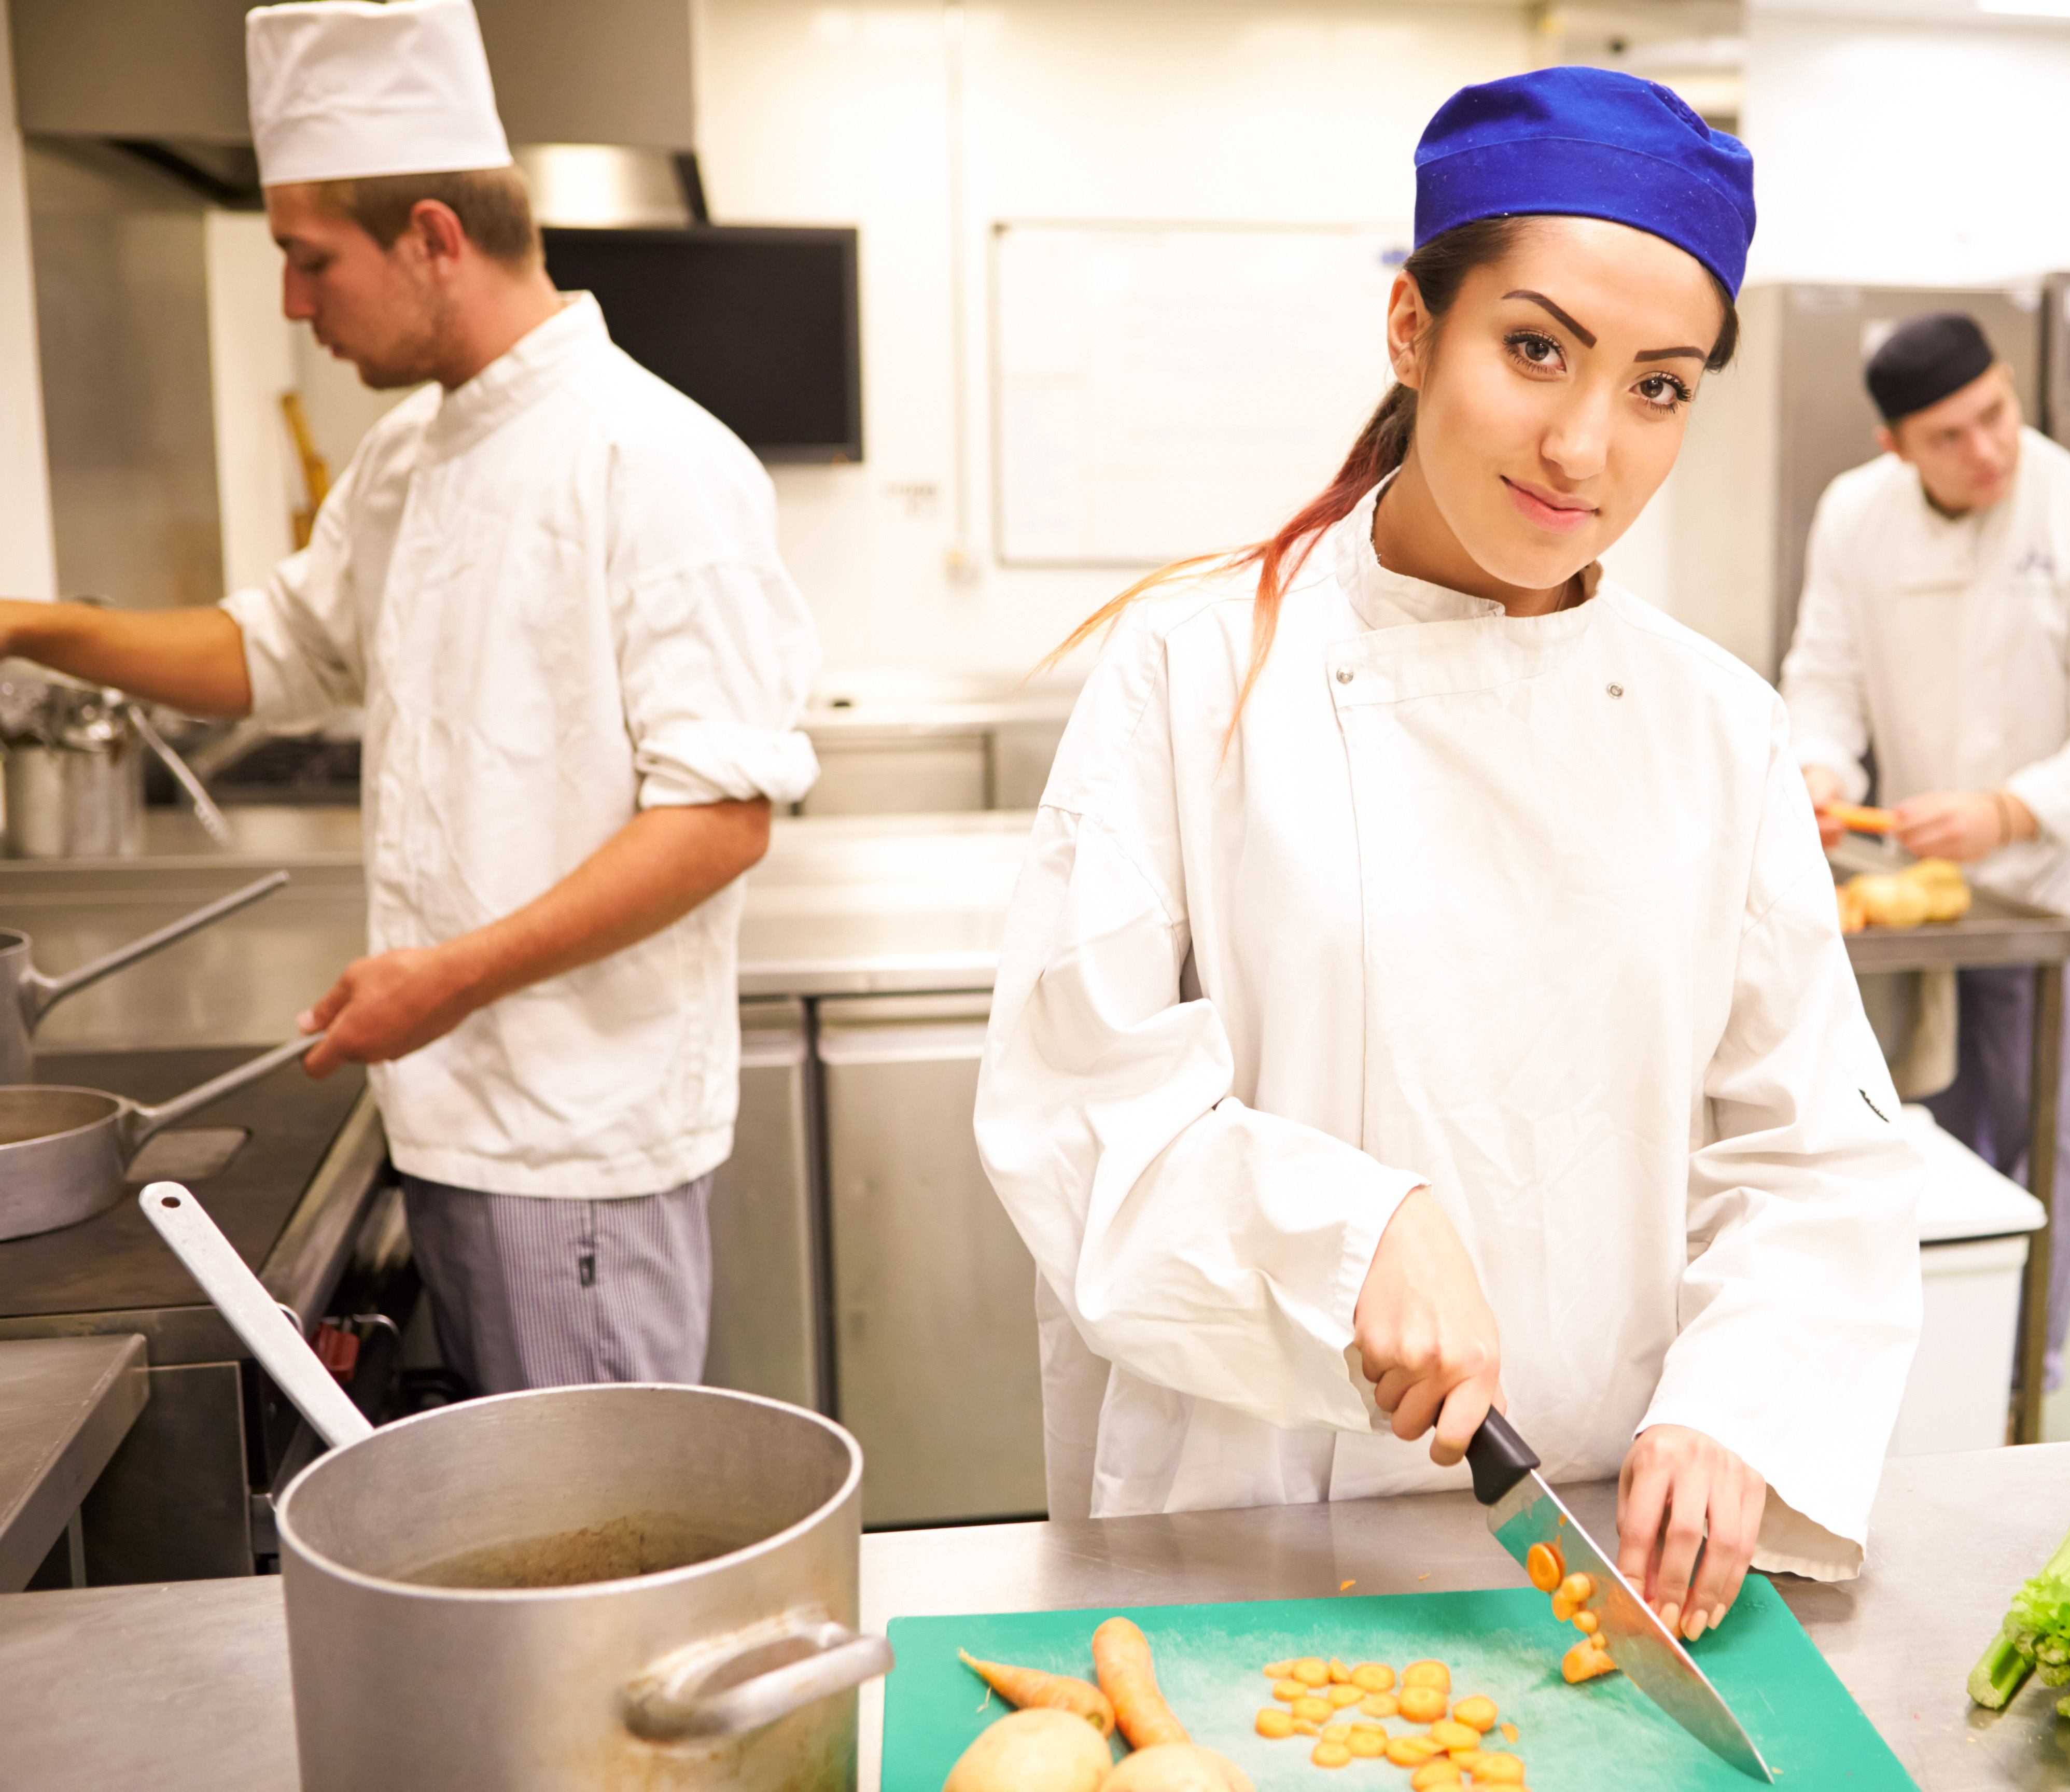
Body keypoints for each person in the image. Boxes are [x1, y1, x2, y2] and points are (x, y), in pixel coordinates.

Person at [975, 67, 1922, 1637]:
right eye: (1534, 348)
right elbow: (1077, 1107)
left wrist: (1741, 1401)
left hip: (1595, 1553)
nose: (1583, 446)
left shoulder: (1718, 732)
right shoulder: (1196, 672)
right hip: (1248, 1526)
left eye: (1658, 385)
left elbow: (1812, 1150)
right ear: (1415, 331)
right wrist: (1349, 1237)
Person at [0, 0, 819, 1394]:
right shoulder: (406, 456)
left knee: (598, 1565)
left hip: (574, 1154)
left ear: (435, 237)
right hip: (445, 1119)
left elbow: (718, 820)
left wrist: (439, 983)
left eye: (310, 261)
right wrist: (31, 626)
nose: (293, 304)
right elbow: (273, 652)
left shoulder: (655, 461)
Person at [1781, 311, 2070, 1387]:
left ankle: (2023, 1375)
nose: (1989, 450)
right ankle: (1927, 1361)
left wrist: (2009, 812)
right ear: (1896, 448)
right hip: (1934, 888)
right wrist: (1822, 773)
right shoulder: (1854, 516)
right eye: (1950, 436)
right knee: (1921, 1130)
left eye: (1997, 415)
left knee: (2056, 1137)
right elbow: (1824, 677)